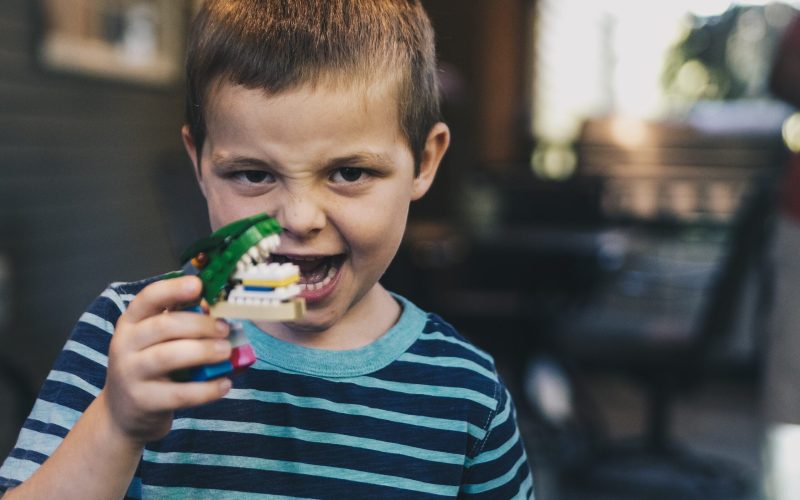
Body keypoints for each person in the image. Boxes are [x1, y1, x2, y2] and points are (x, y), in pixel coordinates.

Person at [0, 0, 534, 498]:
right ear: (200, 163)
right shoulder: (131, 338)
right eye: (253, 174)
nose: (300, 218)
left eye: (350, 172)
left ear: (423, 161)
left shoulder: (469, 396)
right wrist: (116, 423)